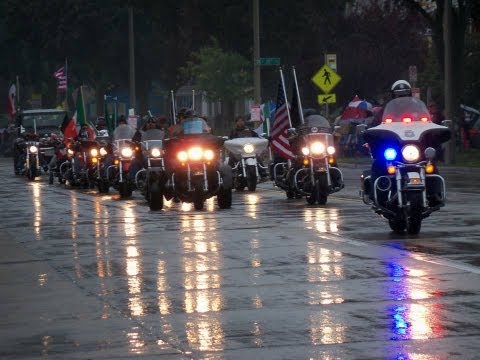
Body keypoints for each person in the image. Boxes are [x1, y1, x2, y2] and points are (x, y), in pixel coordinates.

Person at [228, 115, 268, 180]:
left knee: (257, 157)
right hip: (237, 151)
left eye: (242, 121)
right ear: (236, 123)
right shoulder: (233, 132)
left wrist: (261, 139)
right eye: (239, 121)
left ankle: (263, 174)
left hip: (248, 151)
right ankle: (231, 176)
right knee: (231, 156)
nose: (241, 122)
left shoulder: (249, 130)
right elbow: (229, 141)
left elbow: (256, 137)